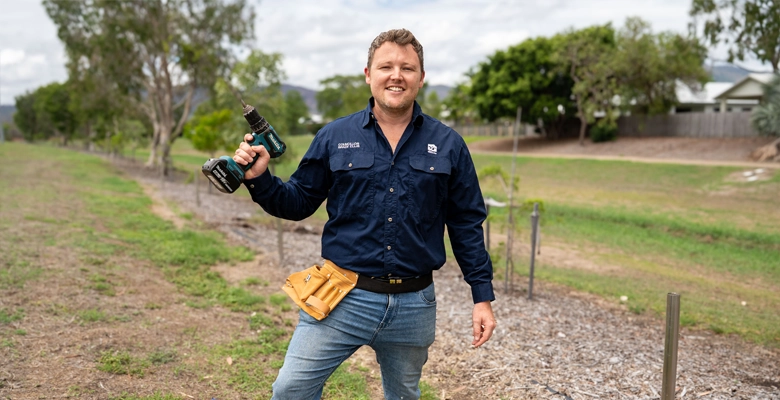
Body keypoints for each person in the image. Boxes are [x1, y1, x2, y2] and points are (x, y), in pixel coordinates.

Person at [233, 28, 496, 400]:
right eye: (385, 66)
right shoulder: (333, 136)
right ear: (368, 74)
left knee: (404, 395)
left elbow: (467, 223)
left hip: (413, 304)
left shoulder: (449, 144)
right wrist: (260, 180)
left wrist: (481, 297)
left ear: (421, 78)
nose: (396, 75)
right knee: (291, 389)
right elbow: (297, 201)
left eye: (407, 68)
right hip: (340, 295)